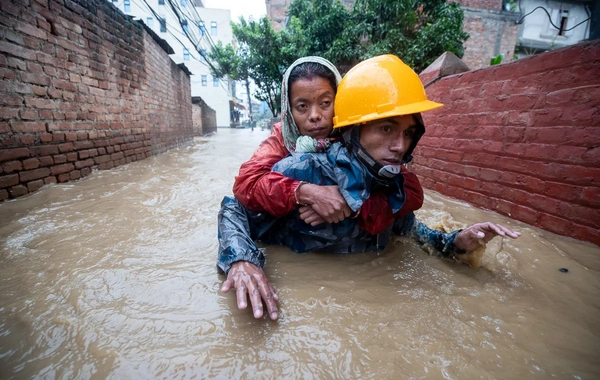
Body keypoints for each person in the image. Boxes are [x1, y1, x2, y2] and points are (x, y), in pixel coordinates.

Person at [218, 55, 520, 321]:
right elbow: (238, 202)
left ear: (341, 112)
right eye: (386, 129)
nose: (399, 147)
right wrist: (242, 259)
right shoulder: (298, 167)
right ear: (356, 127)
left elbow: (411, 230)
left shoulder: (392, 186)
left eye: (326, 103)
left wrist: (455, 243)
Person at [232, 57, 424, 234]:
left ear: (340, 102)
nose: (315, 115)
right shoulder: (282, 138)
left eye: (325, 103)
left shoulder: (356, 135)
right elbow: (246, 185)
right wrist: (308, 193)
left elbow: (409, 189)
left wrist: (351, 205)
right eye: (302, 107)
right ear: (289, 111)